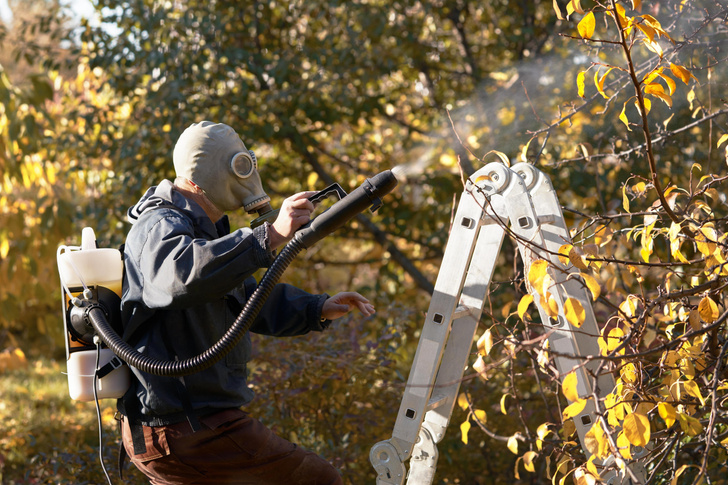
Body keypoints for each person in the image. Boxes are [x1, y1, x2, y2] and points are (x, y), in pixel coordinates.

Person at [117, 121, 374, 484]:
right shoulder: (159, 223)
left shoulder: (203, 231)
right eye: (238, 165)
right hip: (189, 428)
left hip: (184, 427)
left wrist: (316, 308)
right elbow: (179, 277)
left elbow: (246, 301)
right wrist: (267, 236)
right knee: (318, 480)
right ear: (210, 172)